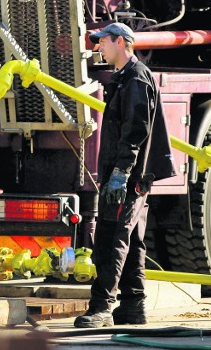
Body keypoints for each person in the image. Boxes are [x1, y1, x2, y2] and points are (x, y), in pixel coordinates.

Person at [74, 22, 175, 328]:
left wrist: (120, 173)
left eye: (102, 42)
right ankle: (133, 305)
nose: (98, 47)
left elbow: (136, 130)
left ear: (121, 42)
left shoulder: (135, 78)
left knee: (110, 237)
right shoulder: (126, 78)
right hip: (129, 176)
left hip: (128, 178)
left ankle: (102, 307)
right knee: (131, 238)